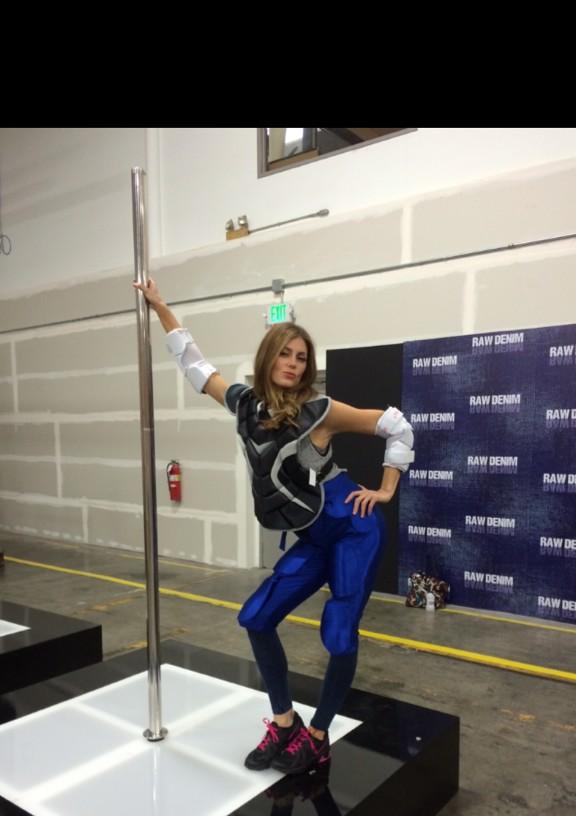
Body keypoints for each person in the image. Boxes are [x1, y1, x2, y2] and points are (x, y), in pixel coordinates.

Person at [134, 279, 414, 775]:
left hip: (353, 529)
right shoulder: (244, 403)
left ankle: (318, 736)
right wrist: (160, 306)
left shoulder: (320, 411)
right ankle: (284, 723)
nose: (293, 364)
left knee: (338, 635)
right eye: (285, 354)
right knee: (256, 618)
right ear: (268, 357)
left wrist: (386, 490)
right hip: (314, 537)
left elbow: (397, 425)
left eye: (302, 358)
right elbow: (195, 365)